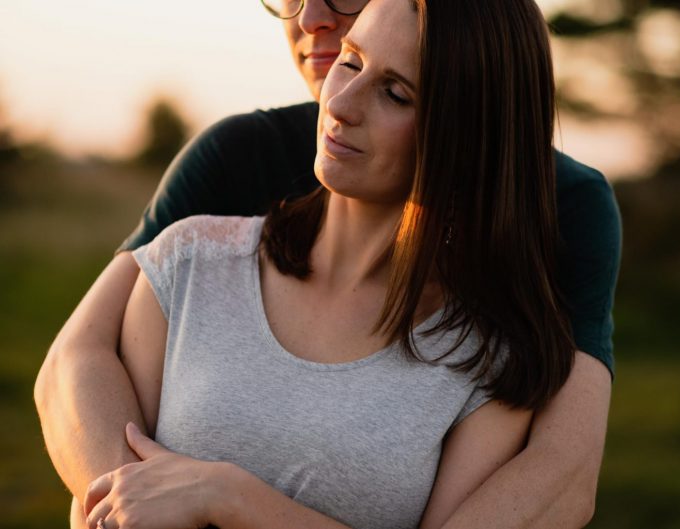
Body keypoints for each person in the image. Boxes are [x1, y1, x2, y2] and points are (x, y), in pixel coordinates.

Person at [34, 0, 621, 528]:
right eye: (350, 61)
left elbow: (562, 474)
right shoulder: (192, 258)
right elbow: (78, 365)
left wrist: (233, 498)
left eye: (396, 93)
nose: (338, 103)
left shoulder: (493, 348)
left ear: (463, 136)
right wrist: (121, 505)